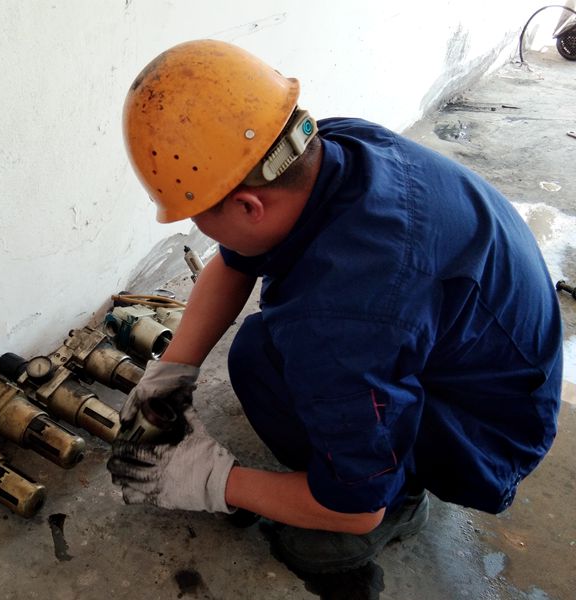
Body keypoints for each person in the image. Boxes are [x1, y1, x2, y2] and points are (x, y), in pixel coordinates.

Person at [106, 39, 563, 574]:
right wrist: (170, 373)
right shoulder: (328, 147)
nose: (199, 231)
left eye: (197, 218)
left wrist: (206, 479)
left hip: (488, 437)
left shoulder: (342, 321)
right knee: (258, 352)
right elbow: (235, 261)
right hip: (496, 363)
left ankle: (401, 497)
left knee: (296, 395)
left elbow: (354, 511)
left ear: (249, 206)